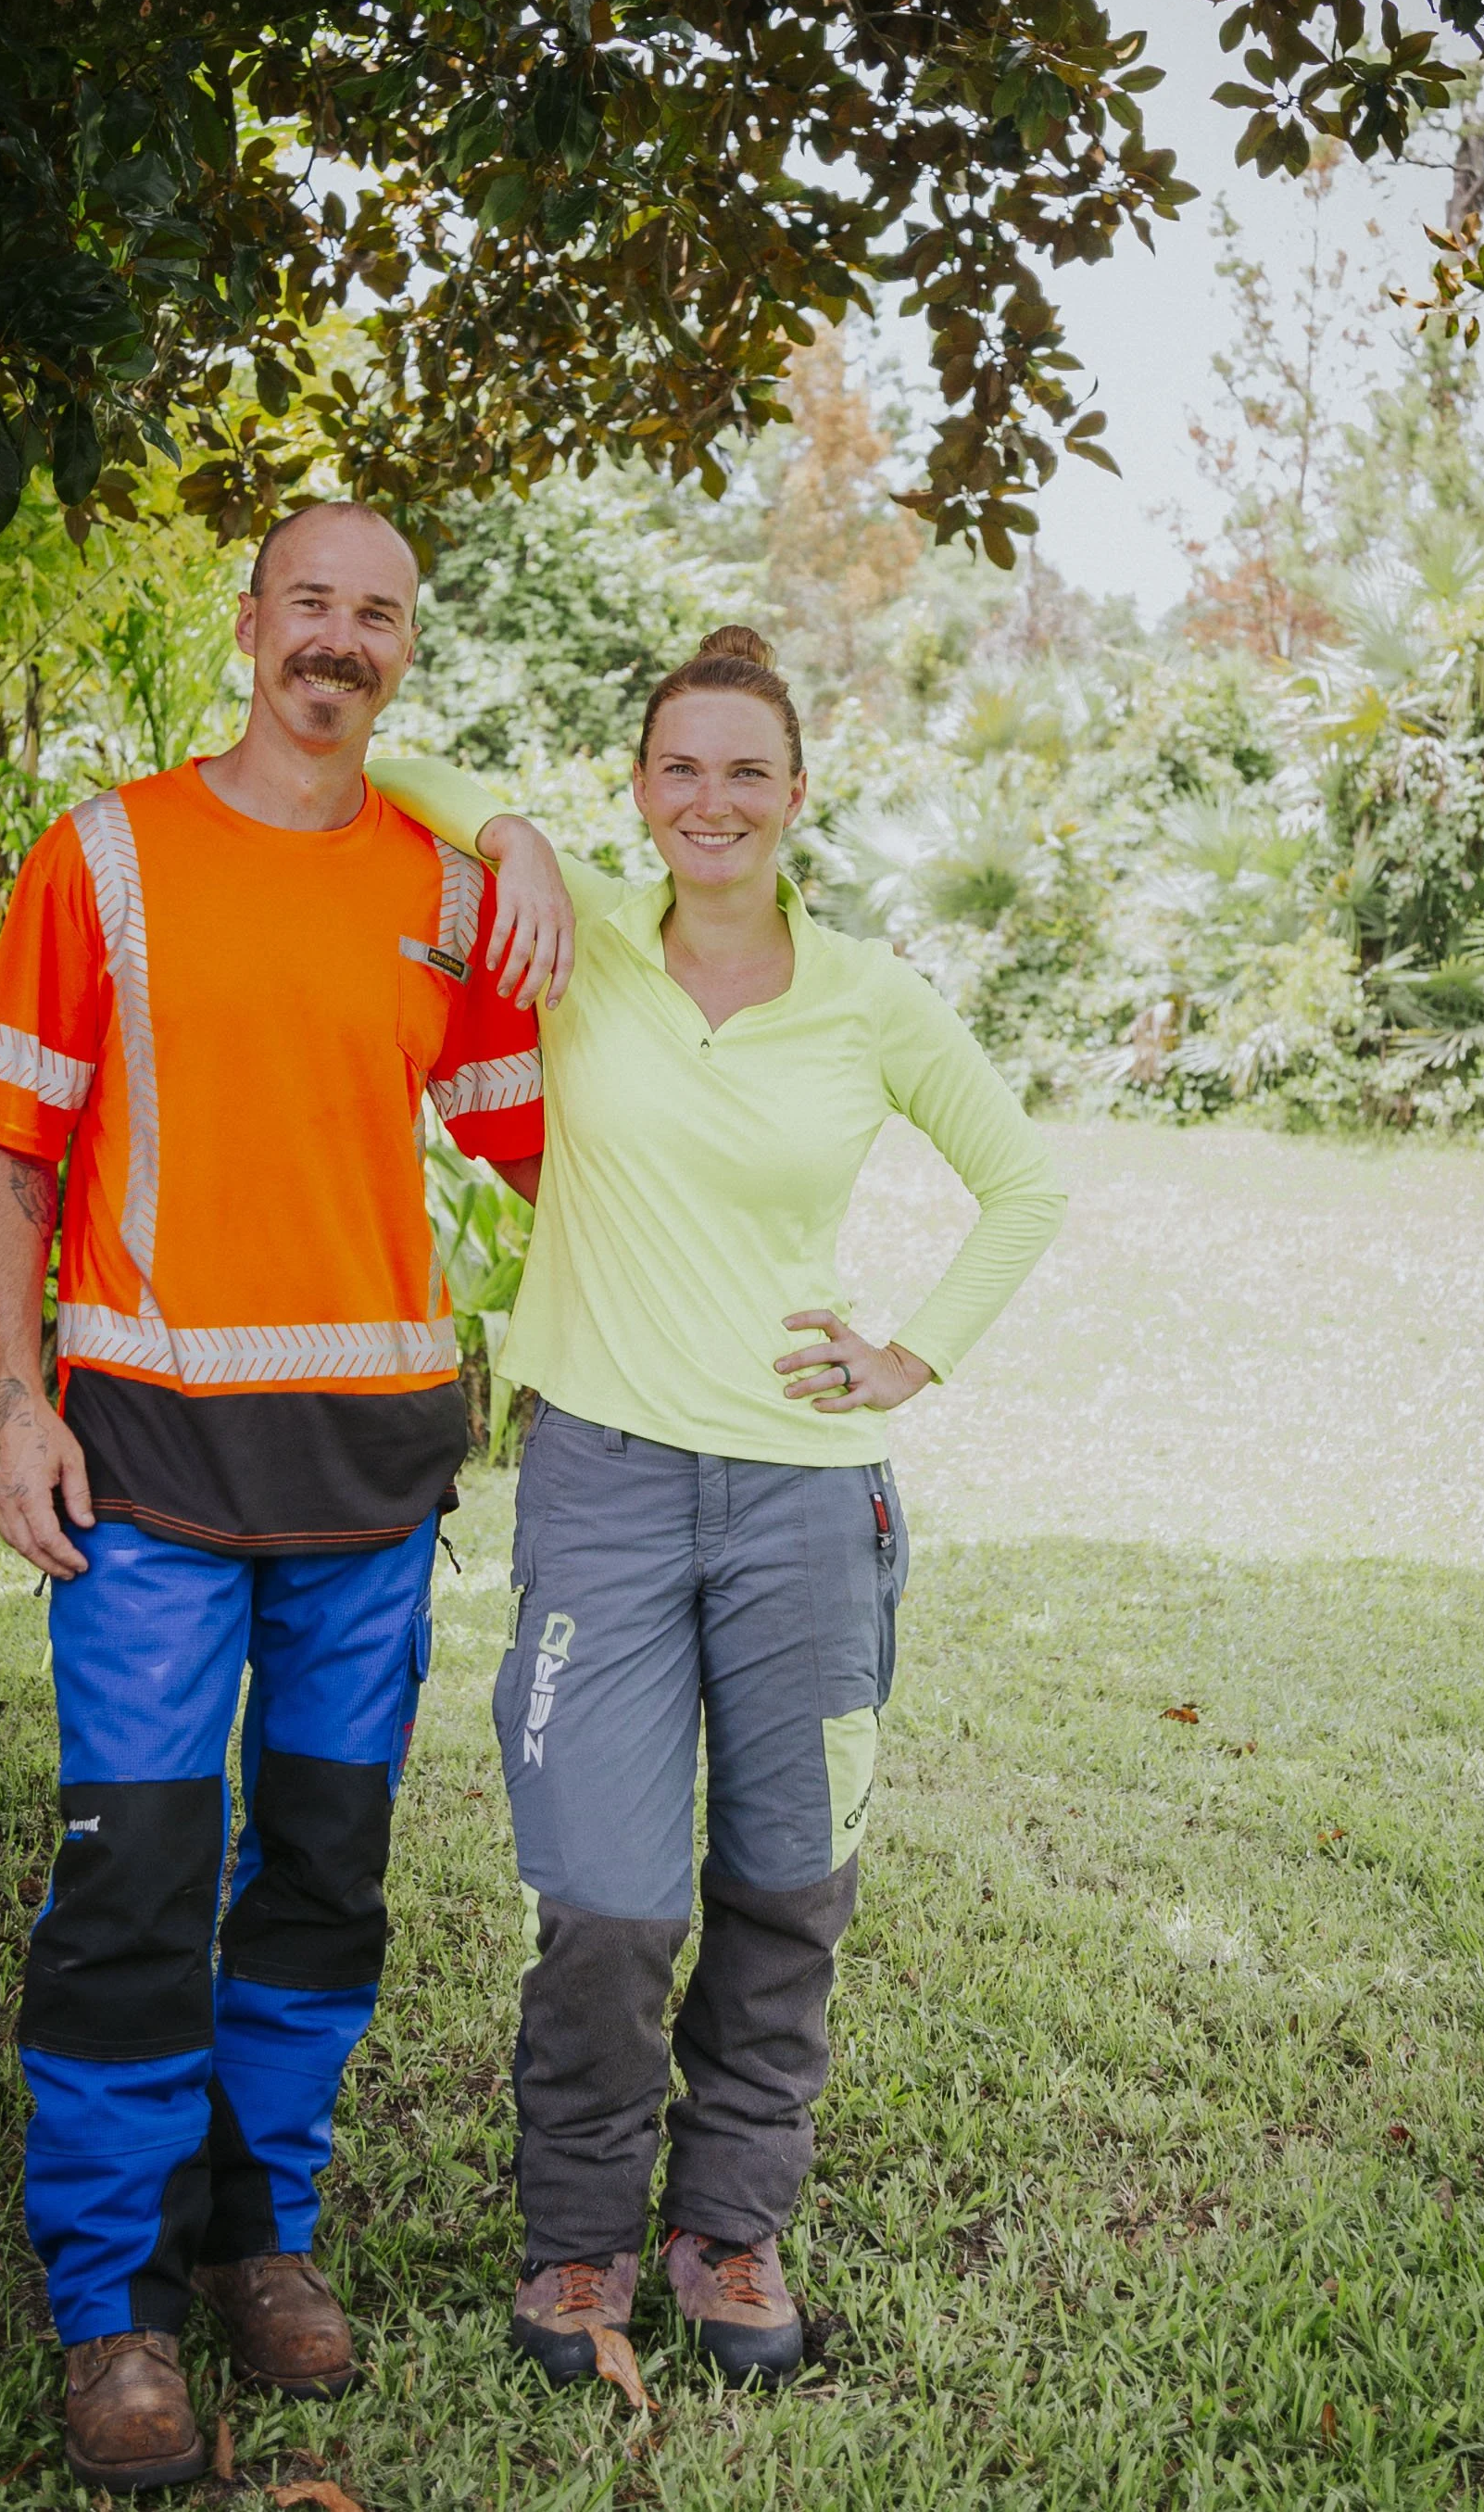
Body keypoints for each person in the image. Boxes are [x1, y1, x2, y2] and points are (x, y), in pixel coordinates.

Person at [0, 501, 572, 2494]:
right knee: (132, 1872)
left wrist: (525, 841)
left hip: (371, 1468)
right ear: (249, 624)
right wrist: (19, 1399)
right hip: (144, 1459)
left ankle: (257, 2239)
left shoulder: (448, 894)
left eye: (379, 616)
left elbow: (576, 1141)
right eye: (313, 601)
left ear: (403, 657)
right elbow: (12, 1146)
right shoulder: (102, 855)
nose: (341, 640)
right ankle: (109, 2301)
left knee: (320, 1874)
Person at [371, 625, 1065, 2390]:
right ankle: (581, 2241)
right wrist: (520, 830)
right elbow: (393, 765)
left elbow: (1022, 1186)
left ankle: (728, 2230)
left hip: (809, 1505)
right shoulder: (595, 930)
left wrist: (911, 1357)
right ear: (640, 791)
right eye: (681, 767)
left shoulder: (870, 995)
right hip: (602, 1479)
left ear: (799, 797)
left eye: (748, 769)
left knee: (786, 1883)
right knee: (603, 1897)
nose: (713, 800)